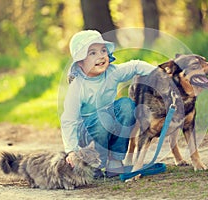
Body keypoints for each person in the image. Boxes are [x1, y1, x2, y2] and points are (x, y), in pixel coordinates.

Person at [60, 30, 156, 178]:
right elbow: (69, 120)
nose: (100, 56)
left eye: (103, 50)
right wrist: (71, 150)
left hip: (109, 123)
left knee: (127, 105)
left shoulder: (112, 72)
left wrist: (159, 74)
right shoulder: (78, 86)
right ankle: (96, 163)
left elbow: (135, 66)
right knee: (101, 119)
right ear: (80, 62)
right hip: (87, 132)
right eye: (92, 53)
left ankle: (115, 159)